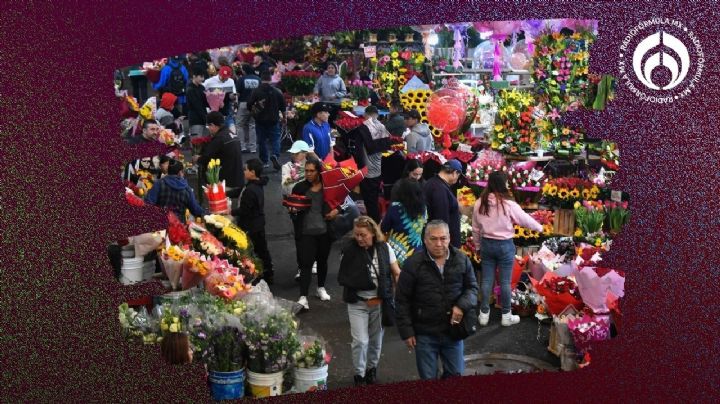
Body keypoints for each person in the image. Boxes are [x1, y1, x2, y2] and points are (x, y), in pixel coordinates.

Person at [395, 220, 479, 380]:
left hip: (453, 331)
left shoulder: (461, 259)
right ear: (425, 240)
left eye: (443, 238)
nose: (439, 243)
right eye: (433, 239)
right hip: (425, 333)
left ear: (449, 238)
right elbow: (402, 300)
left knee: (455, 376)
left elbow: (472, 289)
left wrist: (461, 306)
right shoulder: (413, 264)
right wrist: (407, 331)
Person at [472, 171, 543, 327]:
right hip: (504, 246)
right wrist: (540, 227)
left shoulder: (479, 203)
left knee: (487, 280)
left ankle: (483, 314)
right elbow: (525, 220)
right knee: (505, 282)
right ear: (503, 185)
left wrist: (477, 246)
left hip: (486, 244)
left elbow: (475, 228)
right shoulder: (508, 204)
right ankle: (506, 315)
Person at [338, 216, 400, 386]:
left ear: (373, 233)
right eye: (356, 235)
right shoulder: (349, 250)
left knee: (375, 341)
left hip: (379, 303)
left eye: (363, 235)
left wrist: (396, 295)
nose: (359, 238)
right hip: (357, 302)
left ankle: (371, 369)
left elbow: (396, 273)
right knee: (360, 341)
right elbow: (343, 275)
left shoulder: (385, 248)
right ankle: (359, 374)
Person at [288, 159, 340, 310]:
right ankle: (303, 296)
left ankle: (320, 288)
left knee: (322, 261)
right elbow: (292, 208)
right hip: (306, 233)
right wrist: (292, 210)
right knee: (306, 264)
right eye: (306, 171)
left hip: (324, 231)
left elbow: (341, 202)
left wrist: (336, 211)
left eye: (312, 171)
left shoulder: (329, 187)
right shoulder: (299, 187)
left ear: (319, 171)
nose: (308, 174)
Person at [227, 159, 274, 285]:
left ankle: (264, 274)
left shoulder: (251, 190)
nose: (244, 171)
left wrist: (229, 212)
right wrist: (224, 193)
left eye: (245, 169)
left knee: (256, 250)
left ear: (252, 172)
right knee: (261, 250)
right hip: (257, 224)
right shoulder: (253, 185)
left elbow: (245, 210)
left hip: (252, 226)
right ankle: (267, 273)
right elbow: (239, 191)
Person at [350, 105, 397, 223]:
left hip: (367, 171)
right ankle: (376, 220)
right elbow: (387, 146)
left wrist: (360, 168)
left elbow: (358, 151)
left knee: (369, 200)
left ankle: (373, 223)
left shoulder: (363, 129)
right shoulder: (382, 127)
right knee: (375, 198)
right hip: (377, 168)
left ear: (366, 114)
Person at [193, 111, 245, 208]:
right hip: (238, 178)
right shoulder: (231, 134)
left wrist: (198, 158)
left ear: (212, 125)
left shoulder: (219, 139)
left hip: (226, 182)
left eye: (209, 126)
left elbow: (206, 157)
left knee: (222, 212)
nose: (209, 129)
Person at [381, 178, 427, 268]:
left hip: (396, 253)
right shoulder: (423, 209)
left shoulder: (395, 207)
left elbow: (384, 228)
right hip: (417, 251)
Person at [247, 71, 286, 170]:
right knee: (275, 139)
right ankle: (275, 155)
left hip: (260, 120)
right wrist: (284, 118)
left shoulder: (256, 91)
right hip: (274, 120)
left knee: (262, 141)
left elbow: (249, 104)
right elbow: (283, 107)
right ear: (270, 79)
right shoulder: (277, 91)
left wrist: (254, 110)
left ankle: (264, 161)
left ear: (261, 79)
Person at [423, 159, 463, 248]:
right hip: (442, 244)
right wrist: (444, 243)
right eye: (458, 175)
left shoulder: (432, 182)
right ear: (455, 173)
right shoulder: (440, 189)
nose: (457, 179)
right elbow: (442, 219)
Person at [203, 66, 237, 134]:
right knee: (216, 131)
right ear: (219, 74)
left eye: (226, 77)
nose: (224, 79)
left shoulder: (231, 81)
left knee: (231, 129)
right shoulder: (209, 81)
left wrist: (234, 97)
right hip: (213, 110)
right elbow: (202, 91)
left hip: (227, 108)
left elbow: (234, 93)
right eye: (223, 77)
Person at [235, 64, 261, 153]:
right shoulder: (258, 79)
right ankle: (253, 147)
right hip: (255, 105)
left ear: (245, 70)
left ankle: (242, 146)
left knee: (239, 125)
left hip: (243, 104)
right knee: (252, 126)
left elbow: (237, 93)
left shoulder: (241, 79)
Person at [186, 67, 210, 139]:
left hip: (203, 118)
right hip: (195, 119)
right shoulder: (190, 89)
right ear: (194, 76)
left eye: (203, 77)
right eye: (201, 77)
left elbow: (205, 102)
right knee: (196, 143)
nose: (202, 79)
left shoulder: (202, 87)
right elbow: (196, 105)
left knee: (204, 142)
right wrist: (205, 118)